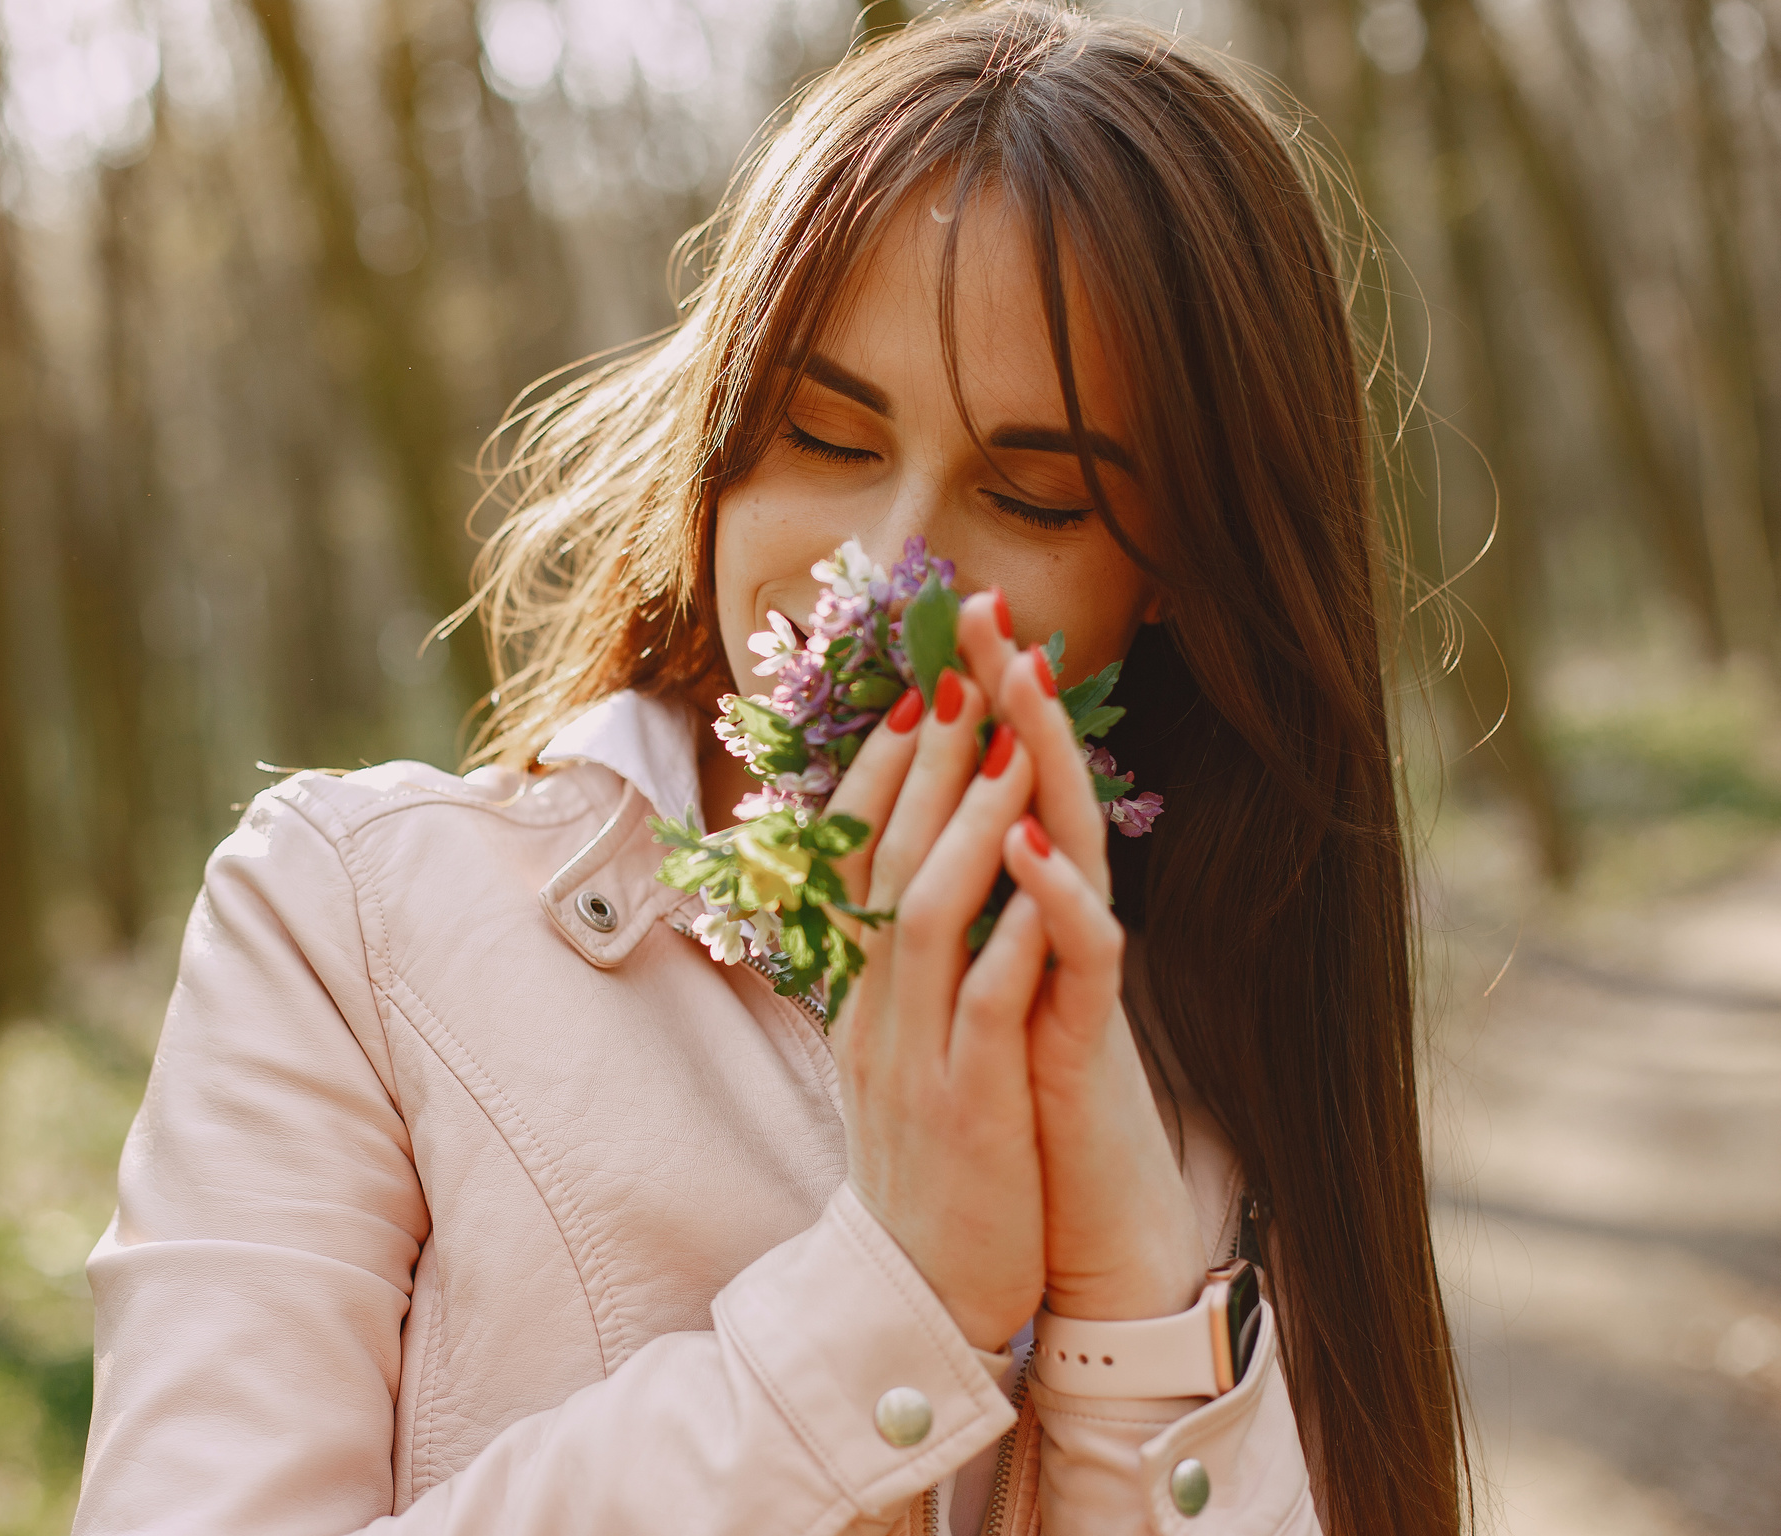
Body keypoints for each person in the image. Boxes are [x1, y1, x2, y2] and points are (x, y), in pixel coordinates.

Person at [74, 6, 1466, 1535]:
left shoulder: (1224, 1054)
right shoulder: (351, 925)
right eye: (825, 434)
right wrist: (893, 1303)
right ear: (726, 431)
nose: (883, 569)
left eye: (1035, 495)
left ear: (1180, 573)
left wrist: (1137, 1315)